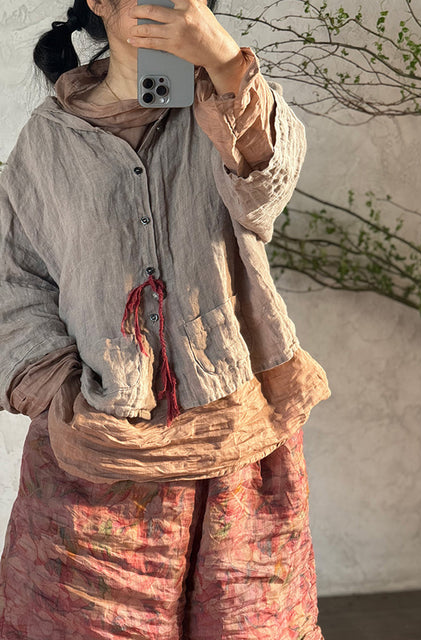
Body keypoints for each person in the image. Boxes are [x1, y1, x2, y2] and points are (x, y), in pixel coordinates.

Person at [0, 0, 331, 637]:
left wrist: (227, 64)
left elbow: (266, 191)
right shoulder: (47, 141)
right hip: (98, 455)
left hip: (236, 440)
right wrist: (61, 392)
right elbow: (15, 281)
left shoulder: (225, 108)